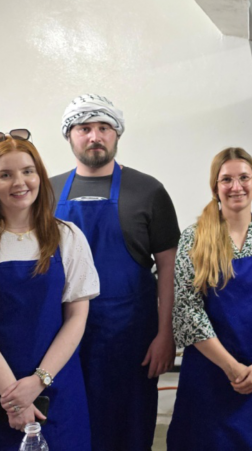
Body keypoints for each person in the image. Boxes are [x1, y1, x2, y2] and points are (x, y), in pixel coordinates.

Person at [0, 131, 98, 450]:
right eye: (5, 174)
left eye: (27, 171)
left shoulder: (67, 238)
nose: (20, 182)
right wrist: (14, 398)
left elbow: (77, 319)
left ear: (40, 176)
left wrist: (38, 381)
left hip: (55, 387)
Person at [50, 94, 179, 450]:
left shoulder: (149, 191)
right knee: (71, 428)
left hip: (131, 340)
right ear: (69, 135)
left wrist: (165, 334)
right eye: (84, 128)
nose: (94, 136)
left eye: (103, 127)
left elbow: (169, 267)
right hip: (62, 342)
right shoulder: (46, 190)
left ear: (117, 134)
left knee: (129, 430)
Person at [167, 148, 252, 451]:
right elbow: (188, 311)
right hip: (210, 378)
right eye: (226, 179)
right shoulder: (195, 238)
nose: (236, 186)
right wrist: (231, 367)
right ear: (215, 188)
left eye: (244, 177)